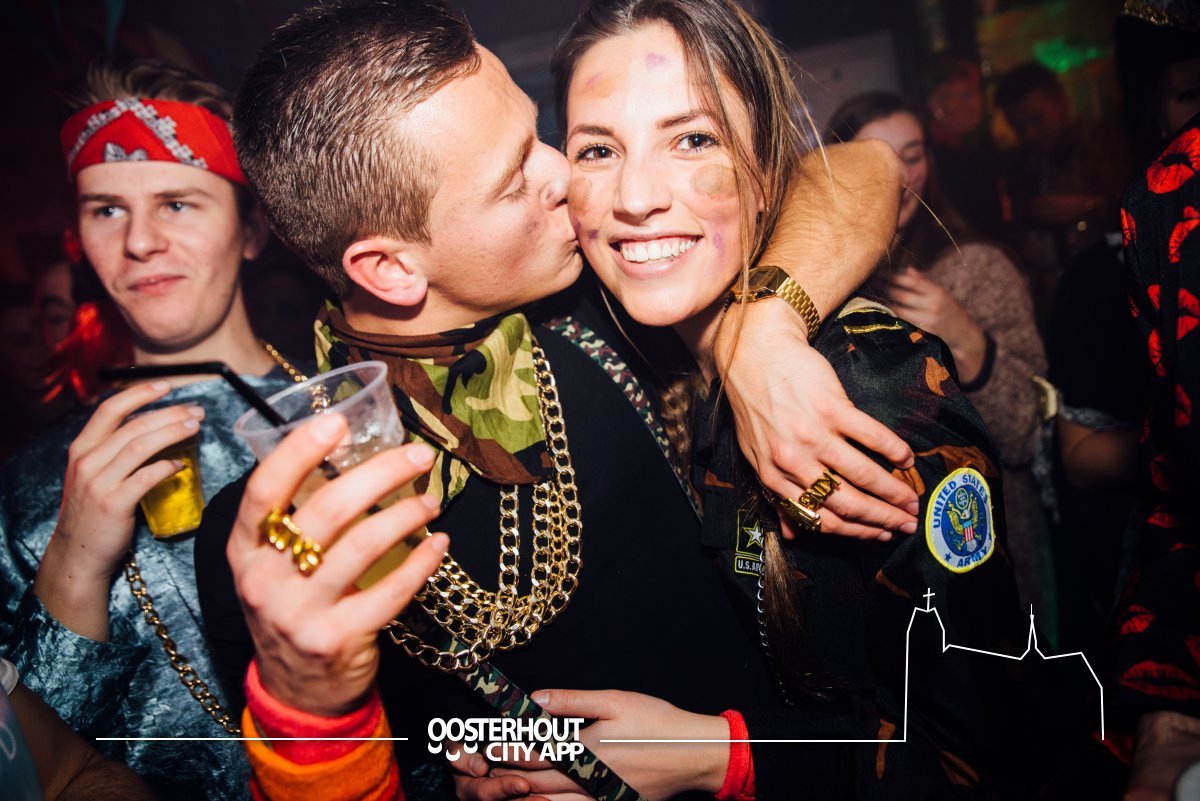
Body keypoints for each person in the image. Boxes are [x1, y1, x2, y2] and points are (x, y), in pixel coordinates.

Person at [190, 0, 921, 797]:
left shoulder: (607, 299)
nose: (564, 173)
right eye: (515, 179)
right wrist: (323, 714)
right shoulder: (279, 542)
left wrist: (765, 328)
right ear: (391, 269)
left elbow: (861, 169)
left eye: (540, 133)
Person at [455, 1, 1033, 798]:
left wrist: (715, 753)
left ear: (767, 164)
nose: (636, 196)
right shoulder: (623, 337)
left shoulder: (869, 385)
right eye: (598, 149)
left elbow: (985, 748)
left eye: (693, 139)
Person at [0, 58, 304, 800]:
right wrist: (73, 563)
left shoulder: (350, 413)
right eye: (107, 209)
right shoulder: (28, 486)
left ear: (252, 229)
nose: (139, 242)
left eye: (177, 203)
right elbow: (32, 772)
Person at [825, 91, 1054, 638]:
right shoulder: (825, 287)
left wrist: (966, 338)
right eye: (879, 158)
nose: (901, 176)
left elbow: (1027, 434)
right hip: (877, 577)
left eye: (913, 155)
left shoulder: (977, 268)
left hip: (991, 559)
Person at [995, 61, 1130, 321]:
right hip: (1057, 305)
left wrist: (1088, 206)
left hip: (1116, 292)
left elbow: (1146, 213)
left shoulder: (1109, 146)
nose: (1029, 133)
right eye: (1018, 126)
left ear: (1061, 101)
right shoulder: (1019, 166)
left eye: (1036, 119)